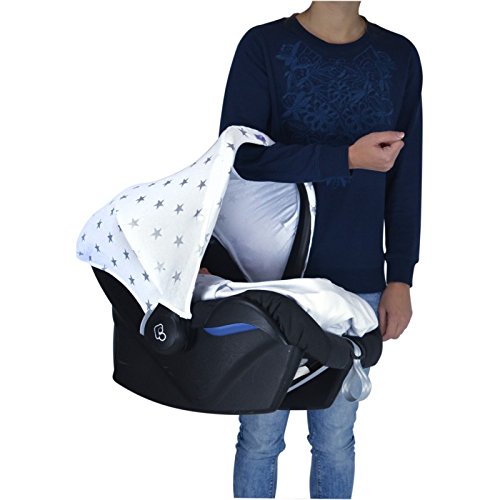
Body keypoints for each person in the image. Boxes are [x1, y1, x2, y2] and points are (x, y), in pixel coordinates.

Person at [218, 1, 423, 498]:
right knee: (260, 438)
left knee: (335, 439)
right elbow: (242, 158)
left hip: (355, 280)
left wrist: (401, 277)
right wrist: (345, 158)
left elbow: (406, 178)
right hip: (270, 279)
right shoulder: (264, 46)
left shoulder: (399, 55)